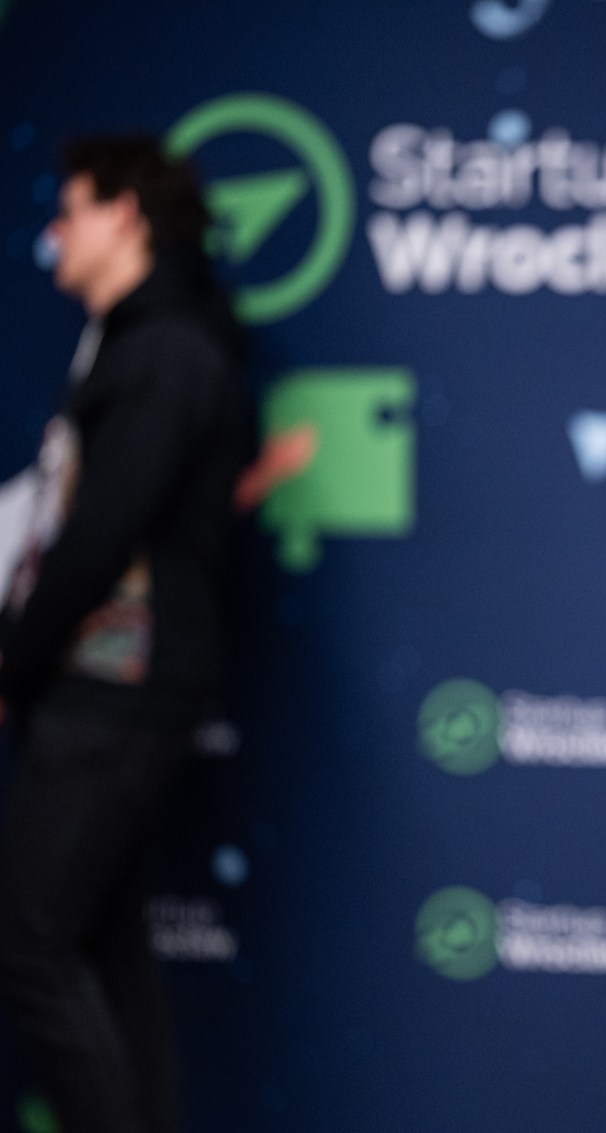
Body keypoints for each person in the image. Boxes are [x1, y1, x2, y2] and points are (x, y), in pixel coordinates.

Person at [0, 135, 250, 1133]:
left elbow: (102, 533)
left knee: (29, 940)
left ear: (124, 215)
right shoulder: (138, 343)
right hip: (114, 689)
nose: (52, 235)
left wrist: (12, 658)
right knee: (103, 946)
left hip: (116, 690)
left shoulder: (164, 351)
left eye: (69, 211)